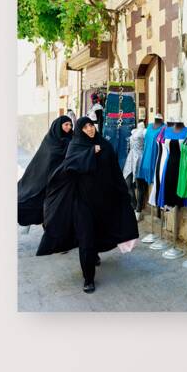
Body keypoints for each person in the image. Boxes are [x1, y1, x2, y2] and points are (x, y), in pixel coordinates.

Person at [36, 116, 138, 293]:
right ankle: (88, 278)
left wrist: (125, 194)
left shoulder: (105, 145)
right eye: (85, 127)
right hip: (82, 202)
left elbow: (115, 172)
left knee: (98, 233)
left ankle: (94, 254)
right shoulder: (75, 146)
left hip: (103, 201)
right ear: (80, 130)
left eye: (91, 125)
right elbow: (70, 166)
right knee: (85, 239)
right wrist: (91, 153)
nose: (90, 129)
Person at [17, 115, 73, 226]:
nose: (69, 127)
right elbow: (42, 160)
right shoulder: (50, 140)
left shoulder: (72, 139)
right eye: (66, 124)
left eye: (70, 125)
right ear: (58, 126)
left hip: (63, 180)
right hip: (46, 179)